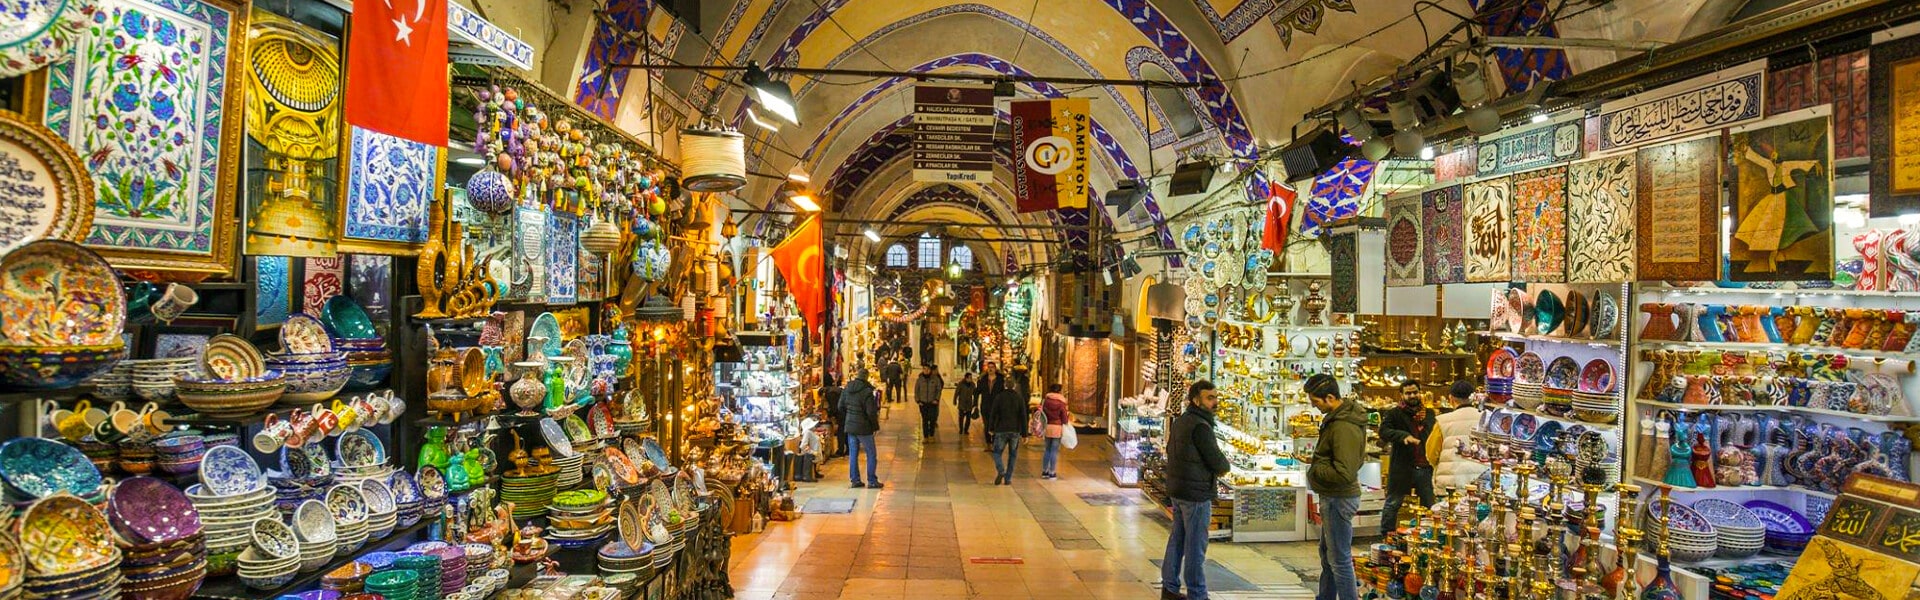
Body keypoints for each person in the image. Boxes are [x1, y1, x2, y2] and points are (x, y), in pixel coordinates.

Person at [1161, 380, 1230, 600]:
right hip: (1196, 494)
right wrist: (1224, 467)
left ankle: (1169, 588)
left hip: (1179, 490)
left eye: (1215, 397)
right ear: (1196, 400)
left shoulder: (1182, 421)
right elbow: (1217, 462)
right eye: (1210, 398)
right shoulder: (1201, 426)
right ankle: (1197, 594)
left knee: (1177, 540)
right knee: (1195, 547)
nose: (1215, 402)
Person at [1306, 374, 1365, 600]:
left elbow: (1345, 471)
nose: (1313, 405)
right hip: (1333, 497)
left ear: (1330, 397)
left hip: (1339, 499)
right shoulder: (1337, 420)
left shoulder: (1343, 426)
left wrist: (1316, 470)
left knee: (1339, 559)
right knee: (1328, 554)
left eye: (1316, 401)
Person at [1378, 379, 1436, 535]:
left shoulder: (1429, 414)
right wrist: (1403, 436)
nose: (1412, 396)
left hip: (1424, 467)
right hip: (1402, 467)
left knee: (1429, 505)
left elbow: (1434, 435)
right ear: (1401, 395)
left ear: (1420, 392)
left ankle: (1427, 536)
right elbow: (1383, 432)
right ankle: (1386, 535)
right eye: (1408, 393)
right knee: (1393, 503)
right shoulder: (1394, 413)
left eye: (1415, 392)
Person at [1427, 379, 1488, 490]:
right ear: (1473, 397)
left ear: (1451, 398)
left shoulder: (1442, 421)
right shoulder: (1486, 419)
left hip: (1450, 481)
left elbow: (1431, 453)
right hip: (1480, 479)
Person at [839, 368, 883, 489]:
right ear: (866, 377)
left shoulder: (847, 388)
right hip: (864, 428)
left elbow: (840, 406)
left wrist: (848, 416)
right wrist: (875, 426)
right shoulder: (867, 391)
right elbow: (871, 412)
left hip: (850, 426)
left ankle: (855, 480)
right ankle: (872, 480)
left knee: (853, 453)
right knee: (871, 453)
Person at [982, 374, 1029, 485]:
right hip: (1015, 431)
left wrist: (991, 428)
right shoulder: (1019, 398)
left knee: (997, 453)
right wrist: (1025, 434)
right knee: (1012, 455)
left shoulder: (999, 397)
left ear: (1004, 385)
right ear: (1014, 386)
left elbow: (993, 413)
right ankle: (1008, 478)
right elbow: (1023, 416)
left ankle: (1001, 470)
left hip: (1001, 429)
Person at [1040, 385, 1069, 479]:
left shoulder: (1045, 401)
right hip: (1057, 428)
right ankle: (1052, 472)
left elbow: (1042, 414)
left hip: (1047, 427)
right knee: (1054, 451)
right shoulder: (1061, 403)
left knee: (1047, 449)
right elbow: (1064, 419)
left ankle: (1045, 471)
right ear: (1059, 391)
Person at [914, 363, 944, 438]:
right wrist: (918, 400)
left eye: (927, 369)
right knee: (925, 420)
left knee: (932, 420)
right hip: (923, 403)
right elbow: (916, 390)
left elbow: (938, 390)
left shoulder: (935, 379)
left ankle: (931, 435)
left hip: (932, 403)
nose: (926, 371)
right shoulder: (920, 380)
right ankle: (926, 436)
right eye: (924, 369)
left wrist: (936, 399)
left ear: (930, 370)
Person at [820, 374, 845, 459]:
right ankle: (847, 449)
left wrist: (830, 415)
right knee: (844, 431)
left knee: (841, 432)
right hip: (844, 412)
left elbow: (835, 407)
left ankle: (840, 451)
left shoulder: (830, 393)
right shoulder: (833, 390)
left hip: (842, 413)